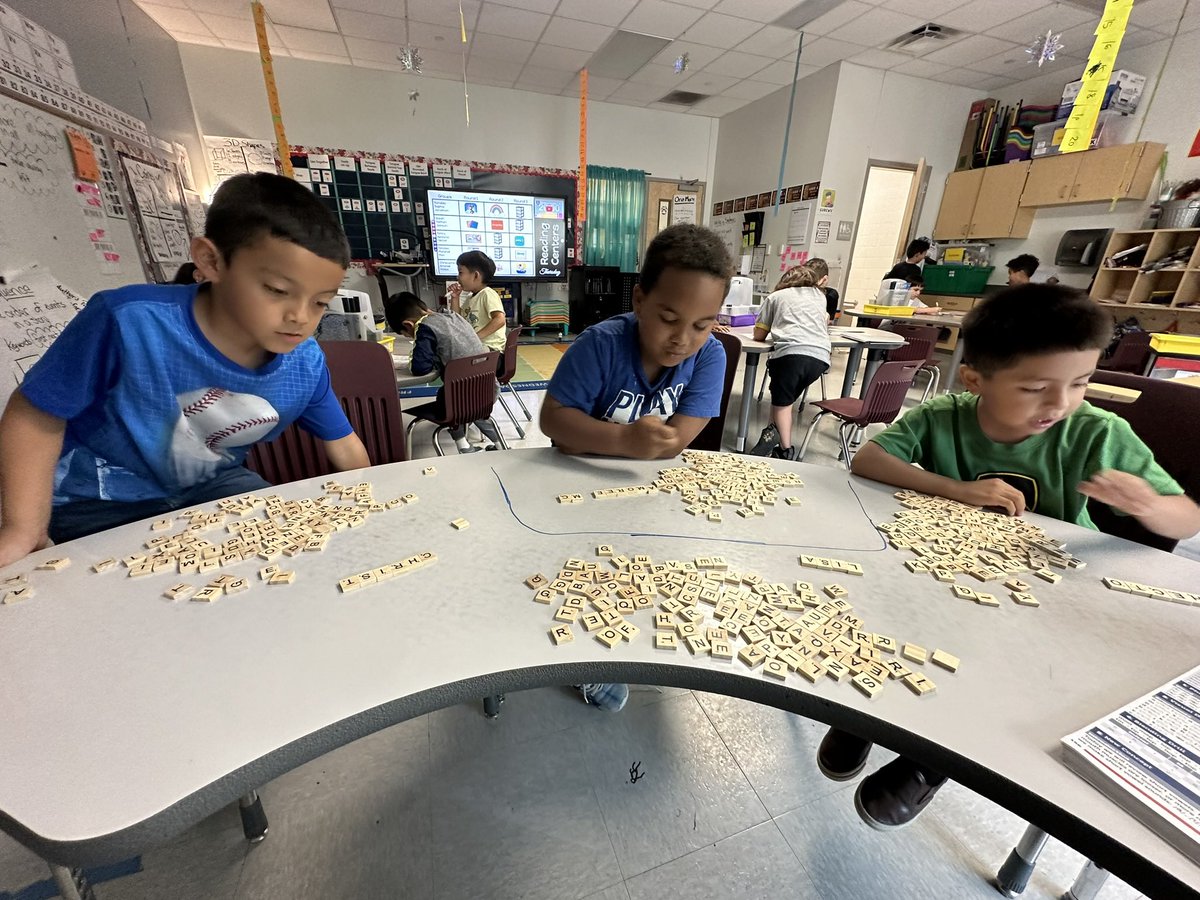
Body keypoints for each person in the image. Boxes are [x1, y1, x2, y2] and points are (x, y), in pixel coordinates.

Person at [817, 283, 1200, 831]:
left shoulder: (1096, 431)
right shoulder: (944, 415)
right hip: (940, 574)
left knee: (985, 667)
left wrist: (1149, 508)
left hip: (1044, 596)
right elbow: (869, 459)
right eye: (1036, 388)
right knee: (884, 607)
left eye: (1081, 382)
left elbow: (1189, 518)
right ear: (974, 379)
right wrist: (958, 488)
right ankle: (868, 711)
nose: (1061, 404)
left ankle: (931, 761)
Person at [0, 172, 371, 566]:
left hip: (212, 486)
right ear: (210, 260)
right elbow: (34, 413)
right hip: (95, 500)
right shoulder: (127, 321)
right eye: (277, 291)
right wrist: (23, 527)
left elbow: (343, 443)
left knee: (291, 563)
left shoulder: (304, 361)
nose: (299, 316)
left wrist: (370, 506)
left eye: (320, 303)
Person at [541, 223, 733, 712]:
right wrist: (627, 438)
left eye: (701, 324)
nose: (682, 339)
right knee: (572, 578)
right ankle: (586, 665)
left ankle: (625, 646)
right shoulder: (600, 345)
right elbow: (554, 422)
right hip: (571, 486)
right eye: (669, 317)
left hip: (638, 494)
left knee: (634, 575)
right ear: (641, 299)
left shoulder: (709, 356)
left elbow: (679, 439)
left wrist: (648, 447)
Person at [384, 291, 504, 453]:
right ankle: (500, 446)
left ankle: (463, 446)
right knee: (472, 406)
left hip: (459, 402)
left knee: (446, 394)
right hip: (486, 393)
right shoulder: (453, 317)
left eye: (407, 335)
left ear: (408, 325)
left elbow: (420, 368)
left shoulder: (424, 327)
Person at [747, 264, 831, 460]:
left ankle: (785, 450)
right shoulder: (819, 296)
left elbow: (760, 334)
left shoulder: (775, 297)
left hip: (792, 354)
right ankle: (771, 435)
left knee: (782, 404)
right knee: (783, 398)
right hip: (821, 357)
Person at [448, 250, 506, 358]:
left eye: (460, 272)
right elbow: (457, 319)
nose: (457, 277)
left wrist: (474, 338)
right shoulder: (470, 298)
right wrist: (455, 297)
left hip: (492, 352)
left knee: (453, 357)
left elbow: (500, 320)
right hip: (478, 348)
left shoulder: (488, 294)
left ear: (475, 275)